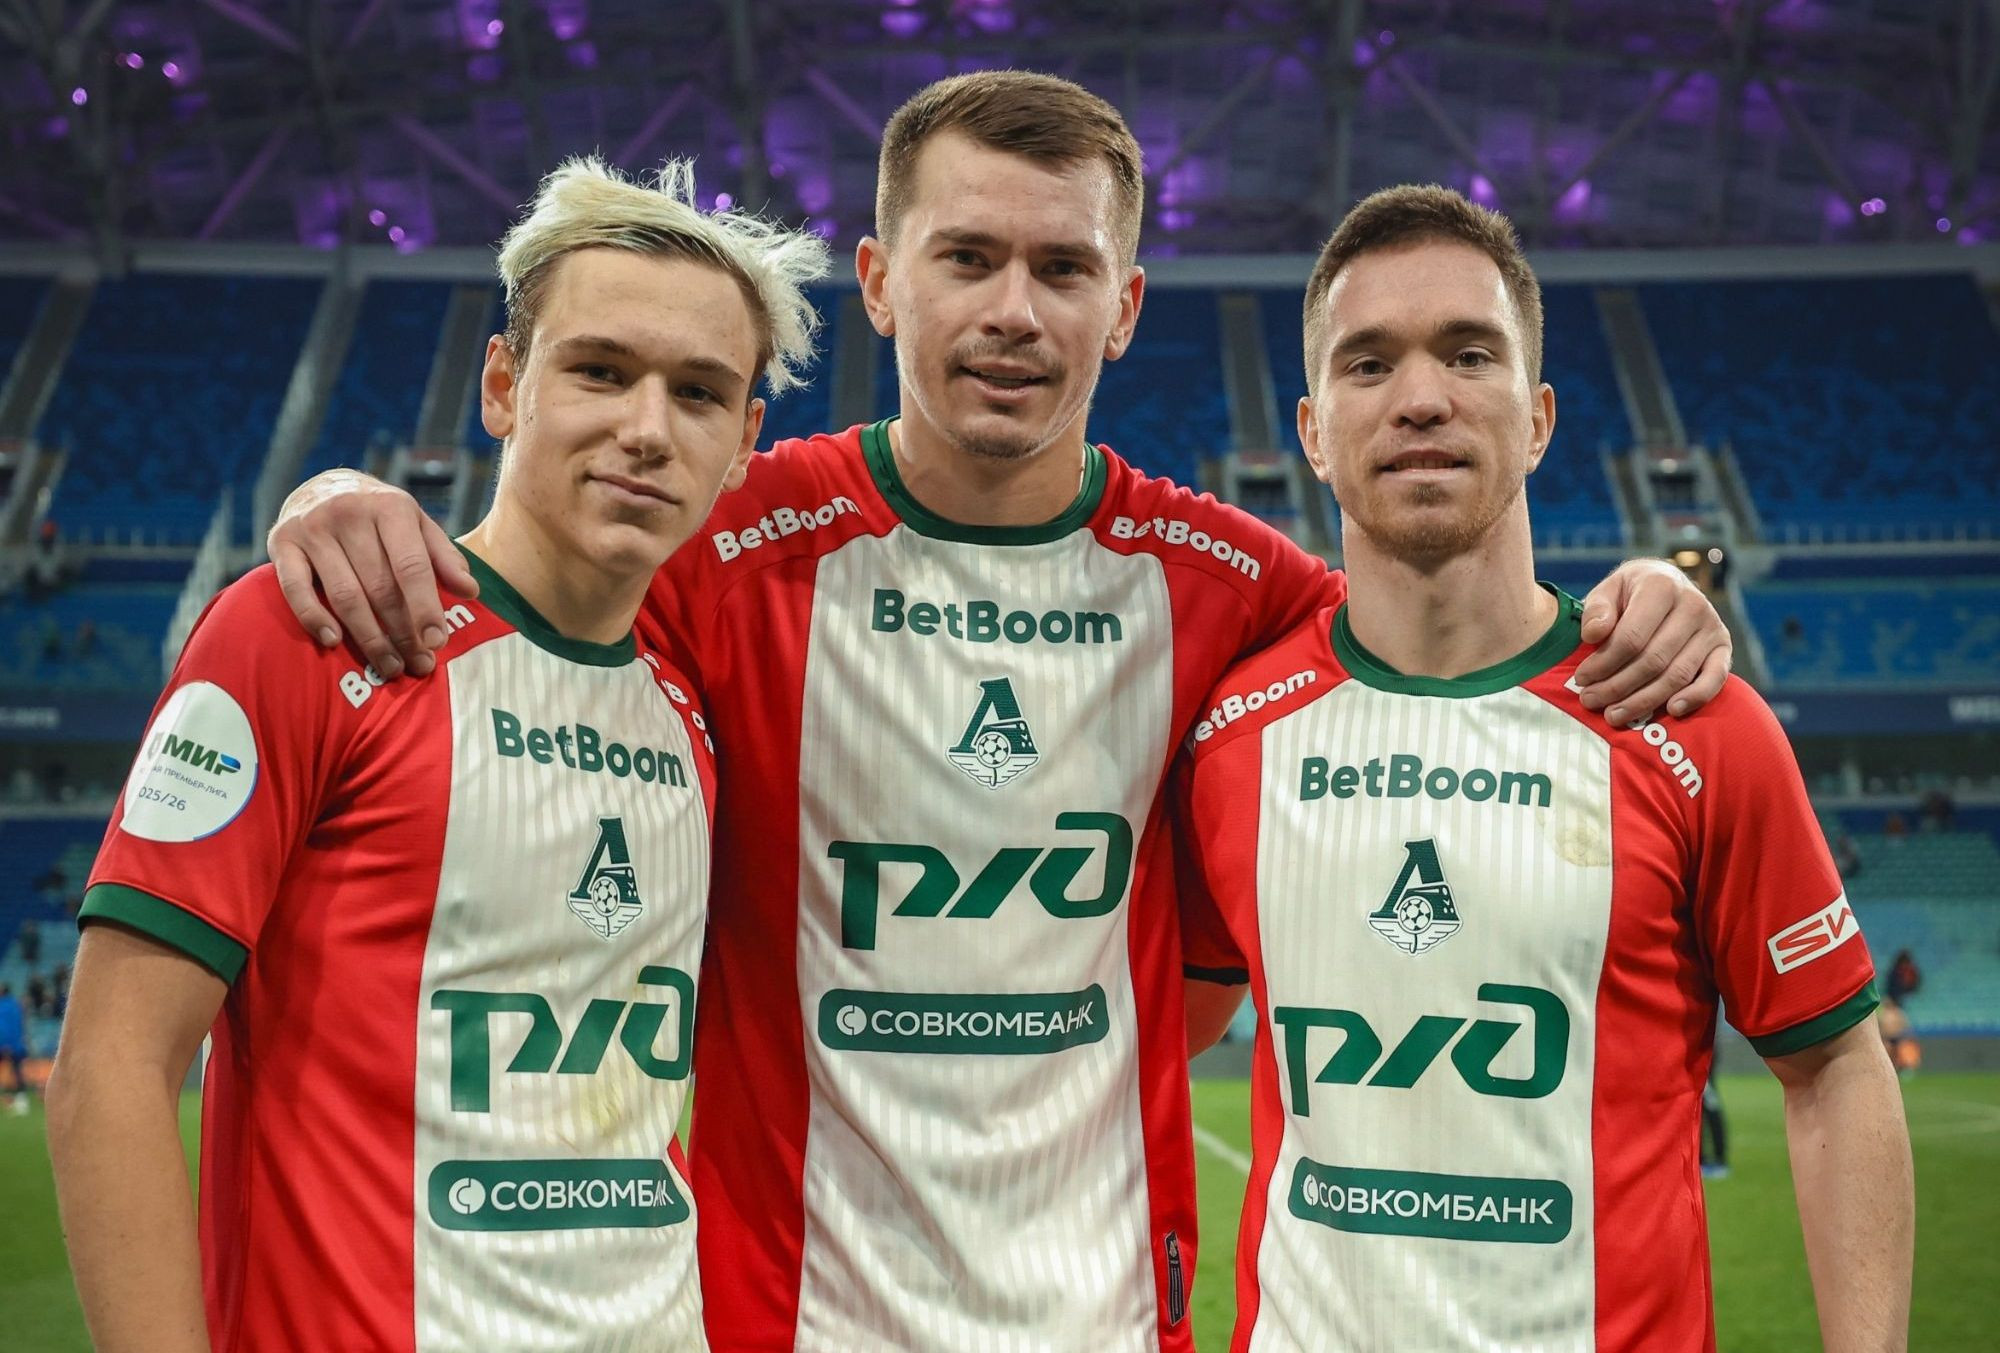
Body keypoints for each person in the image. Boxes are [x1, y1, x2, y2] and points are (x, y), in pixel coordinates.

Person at [264, 72, 1736, 1350]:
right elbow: (537, 565)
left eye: (1063, 267)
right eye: (965, 258)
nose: (1013, 312)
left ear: (1124, 306)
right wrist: (338, 494)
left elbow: (1446, 626)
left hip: (1111, 1317)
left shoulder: (1229, 587)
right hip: (791, 1316)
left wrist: (1632, 601)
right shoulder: (725, 547)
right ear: (879, 280)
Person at [46, 158, 827, 1352]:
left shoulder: (694, 701)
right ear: (504, 384)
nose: (645, 429)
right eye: (599, 371)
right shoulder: (309, 632)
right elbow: (111, 1064)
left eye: (697, 393)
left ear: (742, 443)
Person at [1177, 185, 1913, 1351]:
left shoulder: (1691, 724)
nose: (1420, 397)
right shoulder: (1225, 736)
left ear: (1536, 418)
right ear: (1311, 432)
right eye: (1368, 364)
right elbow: (1143, 1036)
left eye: (1468, 354)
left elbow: (1832, 1068)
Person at [0, 982, 28, 1113]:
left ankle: (16, 1100)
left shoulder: (3, 1007)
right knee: (17, 1071)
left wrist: (5, 1044)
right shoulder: (15, 1005)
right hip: (17, 1044)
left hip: (6, 1044)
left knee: (15, 1071)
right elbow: (19, 1026)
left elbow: (4, 1027)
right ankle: (22, 1101)